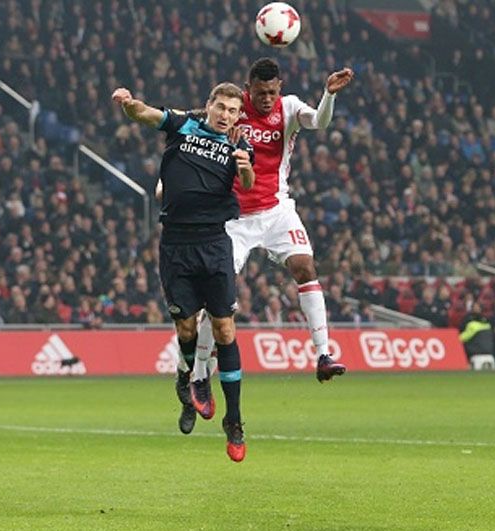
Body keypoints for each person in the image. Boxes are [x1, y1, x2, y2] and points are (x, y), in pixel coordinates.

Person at [186, 58, 351, 419]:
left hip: (276, 209)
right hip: (233, 217)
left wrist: (328, 95)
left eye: (272, 92)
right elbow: (192, 129)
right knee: (219, 296)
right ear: (248, 88)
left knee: (305, 266)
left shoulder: (289, 107)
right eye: (260, 93)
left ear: (280, 88)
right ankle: (198, 375)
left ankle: (323, 354)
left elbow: (320, 122)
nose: (266, 99)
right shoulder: (231, 109)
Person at [112, 82, 255, 462]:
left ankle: (234, 420)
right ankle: (188, 379)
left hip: (214, 243)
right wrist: (127, 104)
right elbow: (144, 113)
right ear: (207, 106)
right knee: (186, 328)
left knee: (225, 328)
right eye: (220, 107)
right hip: (176, 246)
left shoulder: (241, 145)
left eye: (232, 111)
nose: (225, 115)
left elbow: (247, 184)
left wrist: (245, 170)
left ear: (239, 115)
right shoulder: (182, 125)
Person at [458, 302, 495, 370]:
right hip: (489, 349)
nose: (476, 309)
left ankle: (466, 364)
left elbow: (462, 338)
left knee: (462, 345)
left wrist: (455, 338)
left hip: (476, 349)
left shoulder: (472, 325)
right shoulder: (487, 324)